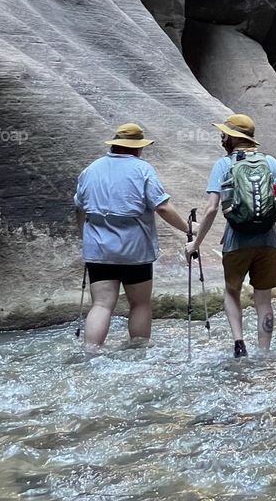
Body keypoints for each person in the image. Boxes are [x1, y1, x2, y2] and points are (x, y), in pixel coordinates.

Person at [74, 122, 191, 351]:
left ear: (115, 144)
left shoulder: (91, 170)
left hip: (99, 251)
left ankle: (90, 352)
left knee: (101, 304)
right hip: (135, 252)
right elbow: (162, 207)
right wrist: (188, 228)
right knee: (140, 304)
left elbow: (79, 208)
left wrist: (85, 238)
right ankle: (138, 352)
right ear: (138, 147)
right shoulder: (142, 169)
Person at [187, 114, 276, 359]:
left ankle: (239, 344)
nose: (222, 137)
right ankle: (264, 353)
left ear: (234, 138)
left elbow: (211, 209)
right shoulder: (270, 163)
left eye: (224, 134)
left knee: (231, 291)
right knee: (263, 300)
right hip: (268, 242)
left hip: (236, 242)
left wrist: (196, 243)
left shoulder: (223, 165)